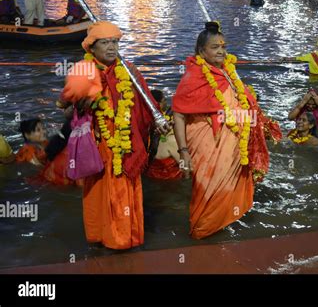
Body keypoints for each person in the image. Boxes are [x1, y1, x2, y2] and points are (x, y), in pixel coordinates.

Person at [59, 21, 164, 249]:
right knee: (99, 190)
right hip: (98, 143)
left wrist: (158, 121)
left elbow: (147, 103)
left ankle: (125, 238)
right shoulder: (83, 72)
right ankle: (101, 236)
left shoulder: (129, 71)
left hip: (126, 141)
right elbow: (65, 110)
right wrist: (82, 107)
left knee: (125, 187)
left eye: (115, 42)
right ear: (92, 48)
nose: (111, 47)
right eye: (105, 43)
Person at [172, 21, 270, 239]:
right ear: (201, 51)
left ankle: (219, 227)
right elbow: (178, 114)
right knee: (207, 189)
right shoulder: (193, 77)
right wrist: (184, 152)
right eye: (215, 47)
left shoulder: (227, 72)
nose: (221, 51)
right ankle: (201, 231)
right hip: (208, 144)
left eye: (223, 46)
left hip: (233, 143)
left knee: (226, 190)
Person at [146, 90, 183, 180]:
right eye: (164, 100)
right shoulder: (171, 140)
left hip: (150, 178)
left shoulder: (146, 131)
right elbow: (187, 168)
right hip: (170, 185)